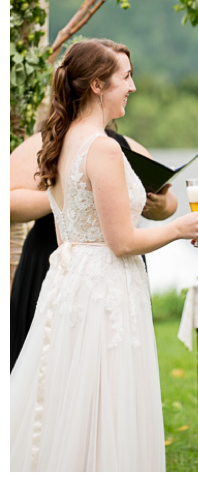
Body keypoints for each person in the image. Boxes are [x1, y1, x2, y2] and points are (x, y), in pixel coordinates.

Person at [9, 39, 198, 471]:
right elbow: (121, 242)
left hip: (71, 278)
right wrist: (181, 228)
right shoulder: (102, 148)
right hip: (104, 282)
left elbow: (72, 230)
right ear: (98, 85)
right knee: (105, 396)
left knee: (72, 393)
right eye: (125, 77)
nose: (133, 87)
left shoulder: (62, 139)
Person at [10, 128, 178, 371]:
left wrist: (159, 204)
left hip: (119, 270)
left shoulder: (128, 147)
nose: (131, 88)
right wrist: (65, 192)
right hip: (53, 262)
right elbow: (10, 202)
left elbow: (170, 200)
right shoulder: (44, 142)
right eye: (125, 86)